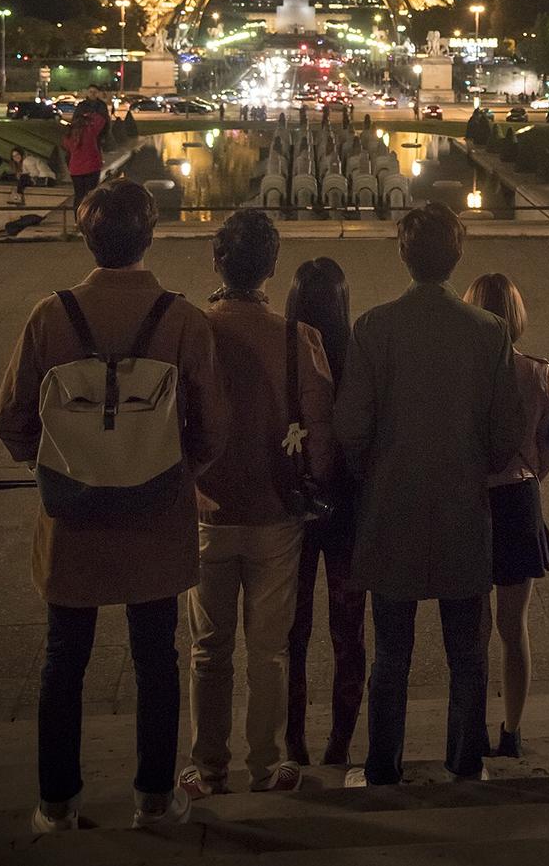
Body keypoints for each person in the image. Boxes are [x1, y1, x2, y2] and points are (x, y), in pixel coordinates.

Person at [0, 180, 228, 833]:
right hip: (155, 516)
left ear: (88, 236)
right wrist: (174, 468)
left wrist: (67, 458)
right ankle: (153, 798)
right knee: (156, 657)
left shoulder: (50, 315)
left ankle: (56, 804)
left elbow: (9, 421)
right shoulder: (182, 320)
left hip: (74, 519)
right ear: (150, 236)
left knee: (64, 658)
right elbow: (213, 428)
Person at [334, 203, 524, 785]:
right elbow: (506, 432)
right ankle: (466, 761)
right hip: (462, 507)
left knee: (391, 652)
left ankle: (382, 764)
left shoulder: (373, 326)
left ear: (403, 255)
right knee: (468, 651)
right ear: (456, 256)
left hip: (391, 507)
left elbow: (350, 426)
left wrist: (376, 468)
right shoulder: (488, 331)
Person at [181, 210, 335, 799]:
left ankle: (208, 766)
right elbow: (319, 432)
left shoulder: (192, 329)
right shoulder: (298, 338)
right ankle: (267, 764)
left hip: (207, 507)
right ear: (273, 267)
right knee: (269, 649)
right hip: (276, 511)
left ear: (217, 262)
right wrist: (315, 485)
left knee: (207, 648)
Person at [463, 273, 549, 758]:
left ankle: (470, 727)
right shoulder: (538, 372)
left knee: (472, 625)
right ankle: (512, 730)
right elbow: (548, 450)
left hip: (471, 502)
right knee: (513, 625)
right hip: (519, 500)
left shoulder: (458, 373)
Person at [284, 258, 366, 767]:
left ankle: (293, 738)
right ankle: (340, 738)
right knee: (348, 629)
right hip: (349, 509)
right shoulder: (357, 354)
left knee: (292, 630)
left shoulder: (283, 347)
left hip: (293, 505)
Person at [61, 106, 106, 217]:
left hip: (76, 169)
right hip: (92, 167)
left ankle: (78, 218)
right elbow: (101, 120)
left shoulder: (69, 135)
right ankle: (89, 217)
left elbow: (66, 147)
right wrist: (89, 114)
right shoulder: (90, 131)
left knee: (79, 195)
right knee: (91, 195)